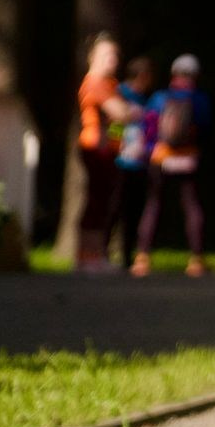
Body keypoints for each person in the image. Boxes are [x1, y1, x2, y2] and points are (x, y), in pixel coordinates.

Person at [134, 53, 211, 277]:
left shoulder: (159, 97)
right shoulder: (199, 99)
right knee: (191, 205)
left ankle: (142, 257)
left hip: (161, 157)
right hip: (187, 158)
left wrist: (150, 151)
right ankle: (196, 259)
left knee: (153, 204)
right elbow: (205, 128)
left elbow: (147, 126)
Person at [71, 36, 130, 271]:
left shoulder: (110, 83)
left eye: (115, 55)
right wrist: (128, 111)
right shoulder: (95, 82)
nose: (113, 60)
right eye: (107, 55)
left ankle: (93, 255)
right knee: (96, 202)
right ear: (92, 57)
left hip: (108, 148)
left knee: (102, 202)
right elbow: (121, 112)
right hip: (95, 146)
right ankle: (88, 257)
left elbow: (123, 114)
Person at [108, 54, 157, 267]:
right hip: (120, 160)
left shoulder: (145, 100)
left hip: (139, 161)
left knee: (133, 210)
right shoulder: (121, 94)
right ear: (142, 76)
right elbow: (113, 125)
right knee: (114, 207)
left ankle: (127, 256)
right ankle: (101, 251)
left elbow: (150, 130)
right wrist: (117, 144)